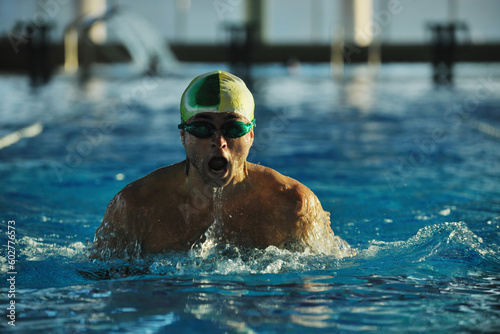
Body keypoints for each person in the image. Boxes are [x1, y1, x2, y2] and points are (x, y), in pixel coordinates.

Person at [91, 70, 352, 260]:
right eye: (203, 128)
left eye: (233, 127)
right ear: (183, 135)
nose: (219, 141)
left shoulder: (292, 204)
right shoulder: (135, 206)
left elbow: (323, 285)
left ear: (251, 134)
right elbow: (102, 286)